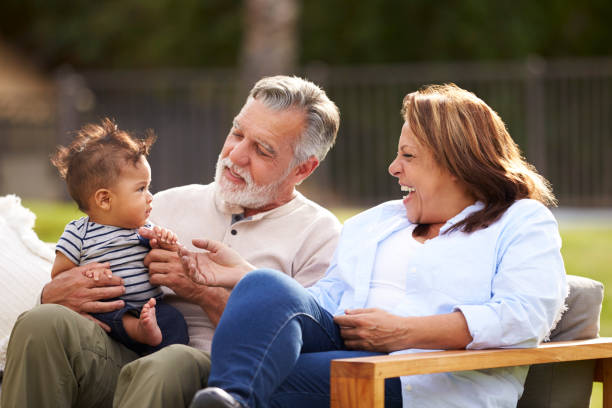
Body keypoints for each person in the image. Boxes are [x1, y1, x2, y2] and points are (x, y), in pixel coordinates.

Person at [184, 84, 568, 408]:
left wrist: (405, 333)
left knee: (268, 374)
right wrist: (250, 281)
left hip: (429, 380)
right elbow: (328, 298)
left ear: (456, 164)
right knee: (264, 285)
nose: (393, 168)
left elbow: (524, 317)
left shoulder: (520, 221)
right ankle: (231, 399)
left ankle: (233, 396)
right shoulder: (379, 221)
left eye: (408, 155)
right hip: (349, 345)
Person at [1, 75, 342, 408]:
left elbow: (299, 348)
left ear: (303, 169)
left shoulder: (319, 234)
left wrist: (199, 291)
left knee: (170, 363)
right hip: (125, 355)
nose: (235, 155)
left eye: (262, 150)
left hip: (215, 379)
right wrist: (54, 294)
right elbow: (85, 262)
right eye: (236, 132)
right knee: (41, 322)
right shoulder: (163, 203)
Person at [49, 118, 188, 355]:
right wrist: (88, 273)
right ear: (105, 199)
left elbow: (163, 257)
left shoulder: (143, 228)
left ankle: (163, 359)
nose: (150, 196)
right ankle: (139, 331)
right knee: (106, 314)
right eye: (141, 188)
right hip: (110, 312)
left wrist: (164, 242)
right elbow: (59, 276)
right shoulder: (78, 234)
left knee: (173, 319)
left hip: (150, 307)